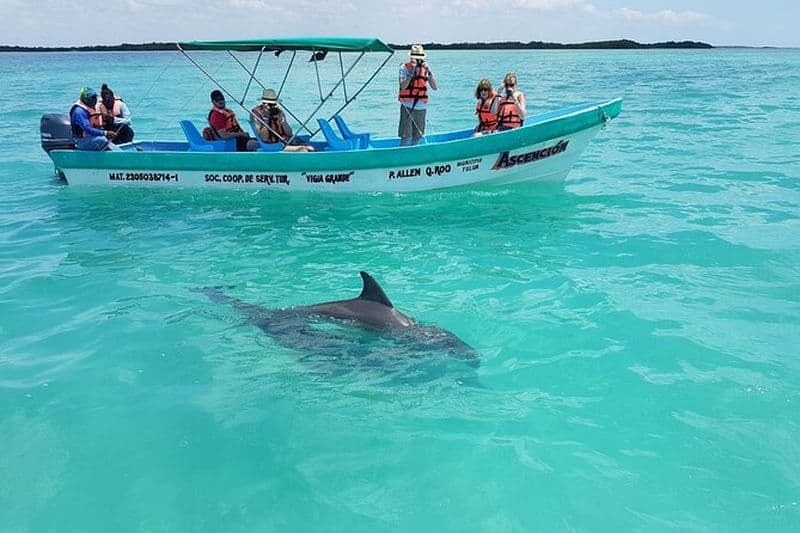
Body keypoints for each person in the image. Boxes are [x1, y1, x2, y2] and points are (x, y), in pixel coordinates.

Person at [249, 88, 314, 152]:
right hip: (272, 145)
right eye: (270, 105)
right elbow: (264, 138)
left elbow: (289, 134)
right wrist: (267, 118)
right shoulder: (256, 114)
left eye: (274, 104)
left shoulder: (278, 112)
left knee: (310, 147)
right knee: (305, 149)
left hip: (284, 141)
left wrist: (282, 120)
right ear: (264, 104)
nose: (272, 107)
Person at [398, 44, 437, 146]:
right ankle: (403, 158)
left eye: (420, 59)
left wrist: (429, 71)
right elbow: (403, 86)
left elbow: (434, 87)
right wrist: (412, 72)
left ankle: (414, 156)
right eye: (416, 58)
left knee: (417, 137)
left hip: (421, 107)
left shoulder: (425, 69)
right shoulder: (404, 68)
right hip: (407, 106)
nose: (418, 61)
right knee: (406, 137)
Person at [69, 87, 119, 151]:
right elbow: (87, 129)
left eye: (95, 98)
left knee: (109, 142)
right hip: (81, 141)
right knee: (102, 140)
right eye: (91, 98)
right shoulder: (79, 111)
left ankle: (123, 156)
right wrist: (105, 133)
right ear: (84, 99)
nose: (94, 100)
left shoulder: (92, 108)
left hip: (94, 138)